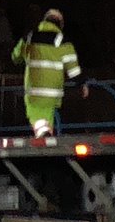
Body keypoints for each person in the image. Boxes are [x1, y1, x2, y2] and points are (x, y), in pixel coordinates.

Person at [10, 8, 85, 138]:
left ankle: (43, 134)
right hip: (53, 92)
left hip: (34, 90)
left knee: (36, 118)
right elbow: (73, 68)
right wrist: (82, 84)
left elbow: (16, 57)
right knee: (46, 120)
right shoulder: (63, 41)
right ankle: (45, 138)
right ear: (60, 24)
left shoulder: (30, 37)